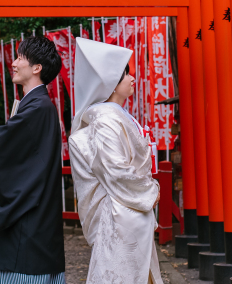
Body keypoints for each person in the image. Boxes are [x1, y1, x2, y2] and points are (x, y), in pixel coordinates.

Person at [69, 37, 163, 284]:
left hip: (127, 211)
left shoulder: (112, 116)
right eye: (125, 75)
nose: (132, 79)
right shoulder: (107, 119)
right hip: (121, 213)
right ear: (110, 83)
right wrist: (150, 190)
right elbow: (115, 170)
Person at [0, 35, 66, 284]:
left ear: (37, 68)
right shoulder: (39, 106)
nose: (14, 63)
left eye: (20, 58)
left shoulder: (37, 108)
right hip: (35, 220)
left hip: (26, 226)